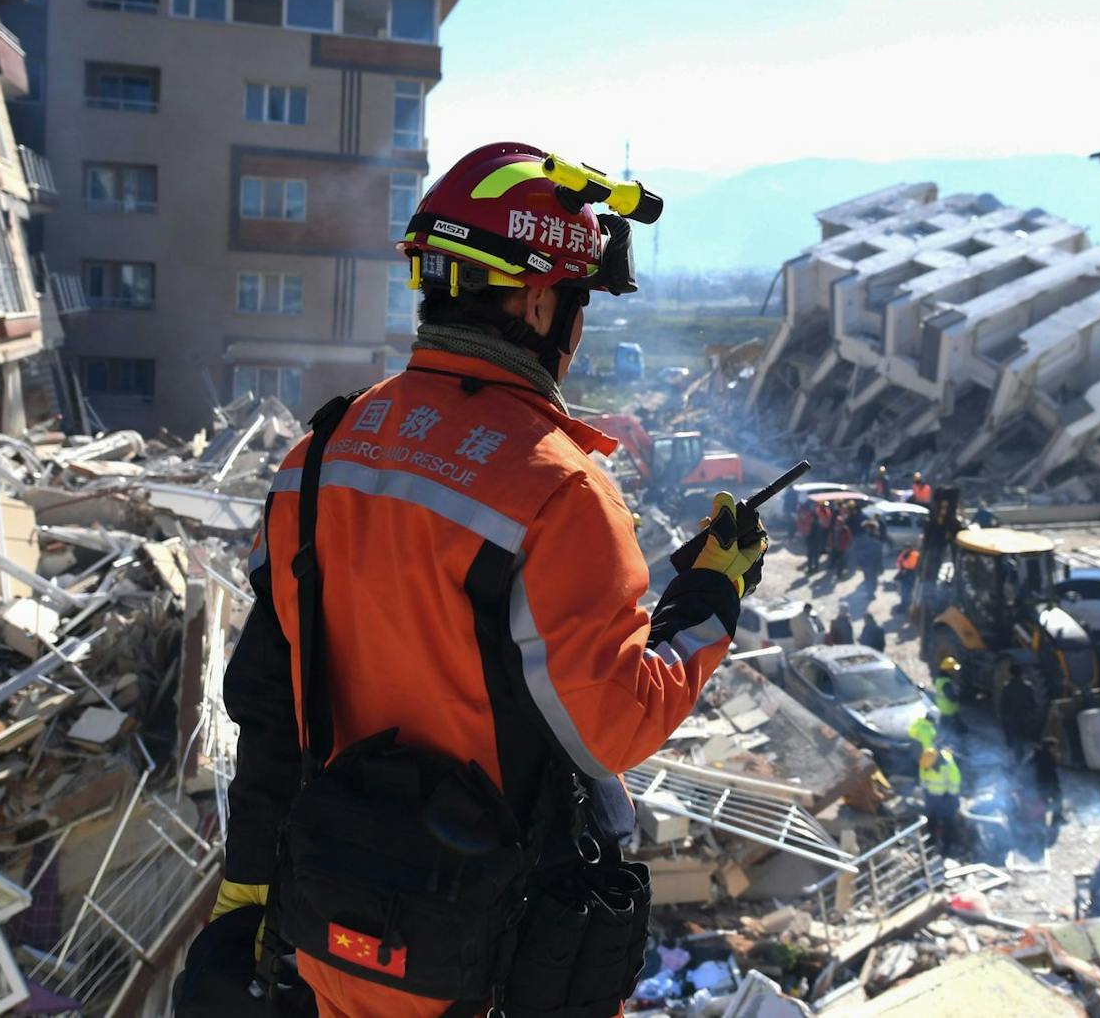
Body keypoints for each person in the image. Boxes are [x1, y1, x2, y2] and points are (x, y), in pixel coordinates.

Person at [214, 143, 766, 1018]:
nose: (577, 333)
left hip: (336, 935)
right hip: (483, 958)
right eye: (578, 303)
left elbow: (266, 698)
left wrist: (245, 887)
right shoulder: (560, 489)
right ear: (541, 298)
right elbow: (611, 727)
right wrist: (709, 604)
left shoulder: (316, 457)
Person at [920, 744, 963, 854]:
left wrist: (950, 795)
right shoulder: (925, 762)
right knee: (931, 820)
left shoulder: (948, 765)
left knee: (948, 822)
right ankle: (931, 843)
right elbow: (923, 778)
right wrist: (925, 791)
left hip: (947, 797)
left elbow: (955, 781)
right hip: (932, 797)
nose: (927, 769)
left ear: (935, 762)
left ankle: (947, 847)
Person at [999, 662, 1042, 754]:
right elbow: (1033, 703)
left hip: (1011, 718)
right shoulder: (1027, 686)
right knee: (1022, 739)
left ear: (1010, 673)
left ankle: (1016, 759)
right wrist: (1033, 715)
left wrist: (1003, 718)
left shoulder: (1007, 687)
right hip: (1024, 717)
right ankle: (1021, 757)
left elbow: (1003, 705)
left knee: (1014, 740)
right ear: (1021, 673)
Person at [852, 518, 885, 600]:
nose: (869, 529)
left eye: (871, 528)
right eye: (868, 527)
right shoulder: (863, 538)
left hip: (873, 563)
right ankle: (870, 593)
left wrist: (880, 565)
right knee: (869, 578)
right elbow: (858, 551)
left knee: (872, 579)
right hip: (867, 563)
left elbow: (879, 552)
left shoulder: (876, 537)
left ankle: (871, 592)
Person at [933, 655, 966, 736]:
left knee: (944, 726)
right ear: (948, 670)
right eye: (953, 669)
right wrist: (961, 696)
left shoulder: (939, 679)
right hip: (950, 709)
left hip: (943, 707)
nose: (955, 671)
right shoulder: (946, 683)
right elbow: (952, 698)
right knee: (961, 731)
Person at [805, 500, 830, 574]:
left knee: (813, 555)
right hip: (814, 540)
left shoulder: (817, 524)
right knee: (813, 555)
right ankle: (813, 568)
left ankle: (814, 568)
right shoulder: (815, 524)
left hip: (814, 541)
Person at [828, 508, 853, 577]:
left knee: (841, 561)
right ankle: (832, 567)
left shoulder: (845, 530)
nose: (838, 523)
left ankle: (839, 573)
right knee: (833, 558)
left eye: (839, 522)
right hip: (834, 546)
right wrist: (830, 544)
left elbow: (849, 538)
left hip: (842, 548)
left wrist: (848, 545)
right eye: (837, 522)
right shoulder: (833, 529)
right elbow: (830, 537)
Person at [795, 498, 818, 571]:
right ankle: (812, 567)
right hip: (810, 537)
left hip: (813, 538)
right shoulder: (809, 514)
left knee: (813, 553)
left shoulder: (814, 518)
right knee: (812, 553)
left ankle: (813, 567)